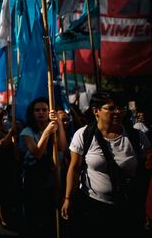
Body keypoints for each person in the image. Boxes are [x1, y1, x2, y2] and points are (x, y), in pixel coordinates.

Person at [61, 91, 152, 238]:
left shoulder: (137, 137)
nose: (118, 112)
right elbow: (75, 168)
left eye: (121, 108)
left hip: (128, 207)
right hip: (93, 206)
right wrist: (68, 199)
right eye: (111, 108)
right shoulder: (83, 135)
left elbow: (146, 171)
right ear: (96, 111)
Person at [19, 97, 67, 238]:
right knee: (34, 216)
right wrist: (46, 132)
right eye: (37, 110)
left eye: (44, 110)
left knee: (50, 216)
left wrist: (59, 123)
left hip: (53, 177)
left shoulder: (55, 128)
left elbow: (62, 147)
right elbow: (38, 153)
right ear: (32, 113)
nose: (41, 113)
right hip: (33, 178)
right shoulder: (27, 132)